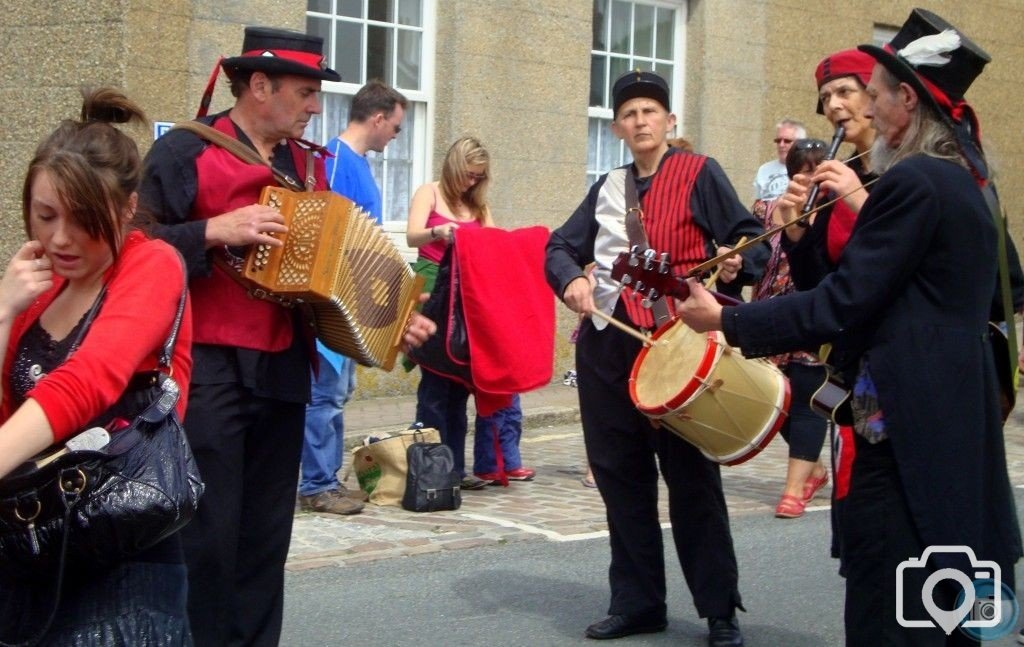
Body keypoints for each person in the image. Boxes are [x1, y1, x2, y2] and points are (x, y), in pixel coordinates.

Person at [678, 10, 1022, 644]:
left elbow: (841, 305)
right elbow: (875, 293)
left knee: (890, 607)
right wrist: (806, 236)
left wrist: (726, 318)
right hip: (951, 420)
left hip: (908, 432)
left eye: (877, 91)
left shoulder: (914, 181)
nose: (863, 102)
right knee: (944, 606)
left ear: (906, 101)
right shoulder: (969, 182)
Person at [138, 27, 434, 646]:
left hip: (284, 371)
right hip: (208, 367)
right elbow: (130, 249)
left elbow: (336, 265)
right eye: (305, 92)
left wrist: (391, 316)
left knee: (265, 542)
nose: (315, 107)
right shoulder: (185, 153)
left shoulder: (309, 165)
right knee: (208, 538)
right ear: (260, 86)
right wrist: (215, 229)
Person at [545, 70, 768, 645]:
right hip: (609, 344)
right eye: (629, 114)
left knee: (693, 479)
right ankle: (639, 602)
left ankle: (720, 610)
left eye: (650, 111)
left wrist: (737, 262)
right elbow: (560, 246)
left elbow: (752, 240)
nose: (640, 121)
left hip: (679, 346)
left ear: (669, 121)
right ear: (617, 125)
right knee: (622, 478)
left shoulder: (700, 173)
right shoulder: (607, 186)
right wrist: (570, 278)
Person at [0, 88, 193, 644]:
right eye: (44, 215)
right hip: (32, 540)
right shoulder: (37, 287)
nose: (60, 237)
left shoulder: (152, 263)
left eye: (83, 219)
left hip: (123, 545)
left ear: (128, 209)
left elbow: (89, 379)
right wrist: (5, 309)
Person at [298, 79, 408, 515]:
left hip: (353, 303)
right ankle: (316, 485)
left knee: (335, 397)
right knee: (322, 399)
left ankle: (326, 479)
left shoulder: (355, 162)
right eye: (396, 128)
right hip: (333, 305)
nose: (395, 137)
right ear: (378, 118)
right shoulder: (334, 160)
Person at [406, 136, 529, 489]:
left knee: (459, 387)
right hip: (433, 295)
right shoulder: (429, 192)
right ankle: (432, 471)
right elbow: (413, 236)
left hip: (466, 301)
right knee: (434, 389)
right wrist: (438, 231)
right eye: (468, 174)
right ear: (454, 167)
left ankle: (455, 470)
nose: (472, 182)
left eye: (478, 177)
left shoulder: (479, 207)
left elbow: (494, 249)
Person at [750, 139, 830, 519]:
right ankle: (812, 468)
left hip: (814, 317)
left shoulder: (833, 213)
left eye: (818, 169)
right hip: (770, 314)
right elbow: (751, 256)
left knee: (809, 398)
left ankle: (793, 490)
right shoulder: (766, 211)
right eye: (804, 169)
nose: (811, 177)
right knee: (771, 399)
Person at [752, 118, 806, 201]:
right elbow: (757, 202)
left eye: (787, 141)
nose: (781, 145)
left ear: (800, 143)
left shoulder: (807, 170)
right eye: (778, 140)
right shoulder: (764, 169)